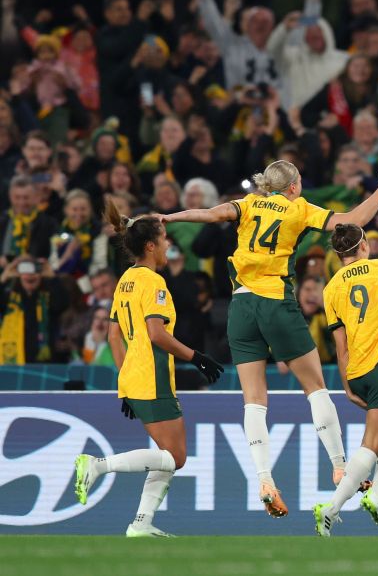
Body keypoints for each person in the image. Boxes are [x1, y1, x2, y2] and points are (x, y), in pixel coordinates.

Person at [157, 159, 378, 516]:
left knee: (254, 400)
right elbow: (354, 221)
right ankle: (339, 465)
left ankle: (264, 479)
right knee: (315, 387)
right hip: (276, 302)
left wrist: (170, 218)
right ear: (292, 187)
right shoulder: (299, 209)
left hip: (240, 307)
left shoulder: (249, 204)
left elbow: (210, 214)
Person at [72, 200, 223, 536]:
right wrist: (197, 357)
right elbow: (157, 334)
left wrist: (125, 380)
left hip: (135, 377)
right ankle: (98, 465)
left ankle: (142, 524)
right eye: (165, 238)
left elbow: (114, 336)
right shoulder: (154, 283)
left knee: (166, 454)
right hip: (153, 377)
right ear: (151, 246)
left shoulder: (126, 279)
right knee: (176, 457)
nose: (169, 244)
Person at [313, 224, 378, 535]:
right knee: (372, 444)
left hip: (357, 372)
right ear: (365, 246)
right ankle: (331, 507)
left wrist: (347, 385)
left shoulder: (331, 288)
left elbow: (340, 345)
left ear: (337, 254)